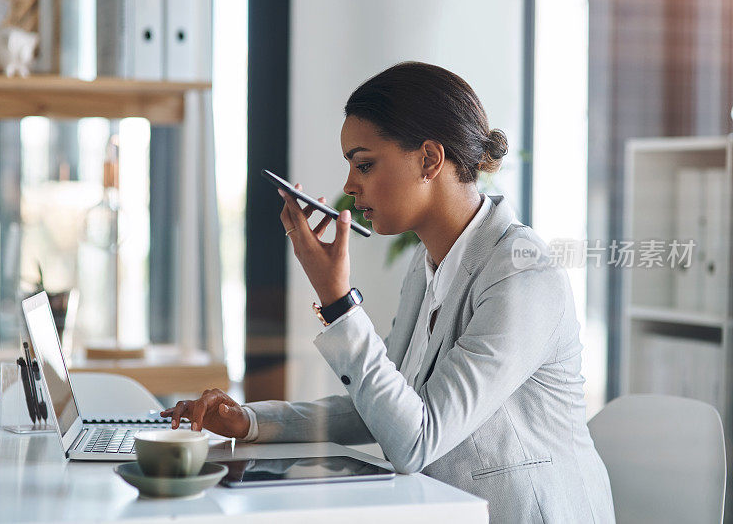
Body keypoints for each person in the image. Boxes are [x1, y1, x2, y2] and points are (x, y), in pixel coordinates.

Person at [162, 62, 615, 522]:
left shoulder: (522, 274)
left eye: (365, 164)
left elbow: (415, 440)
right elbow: (381, 408)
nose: (348, 185)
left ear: (429, 160)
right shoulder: (425, 273)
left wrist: (339, 303)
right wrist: (251, 422)